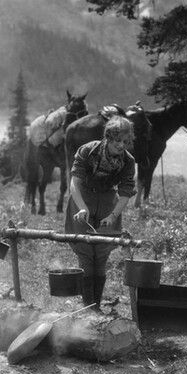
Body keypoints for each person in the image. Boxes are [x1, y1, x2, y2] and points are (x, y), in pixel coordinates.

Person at [65, 116, 137, 311]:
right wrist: (81, 207)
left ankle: (95, 306)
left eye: (125, 142)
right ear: (108, 138)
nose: (122, 145)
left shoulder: (128, 161)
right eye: (118, 141)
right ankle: (87, 307)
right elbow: (75, 182)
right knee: (86, 252)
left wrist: (113, 215)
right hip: (83, 198)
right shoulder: (88, 151)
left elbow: (126, 191)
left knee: (102, 252)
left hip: (107, 202)